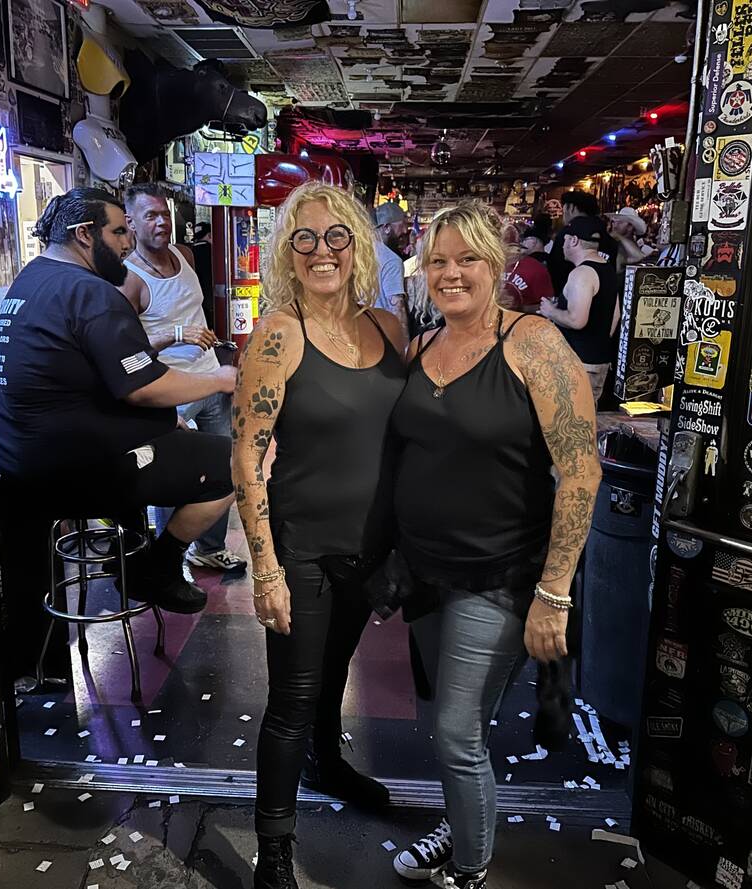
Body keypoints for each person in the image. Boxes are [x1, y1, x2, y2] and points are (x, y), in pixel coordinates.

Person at [390, 200, 601, 889]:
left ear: (499, 264)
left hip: (500, 575)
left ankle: (470, 868)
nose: (450, 274)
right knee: (458, 724)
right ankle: (461, 823)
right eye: (437, 261)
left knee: (456, 732)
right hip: (425, 571)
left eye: (467, 259)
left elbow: (581, 471)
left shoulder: (533, 341)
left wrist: (554, 593)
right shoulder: (421, 346)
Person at [233, 182, 407, 889]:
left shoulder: (388, 327)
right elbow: (246, 457)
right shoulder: (280, 332)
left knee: (334, 675)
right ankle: (273, 852)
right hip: (301, 544)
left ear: (358, 247)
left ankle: (327, 763)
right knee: (292, 699)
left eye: (337, 236)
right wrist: (265, 569)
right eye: (304, 238)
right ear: (288, 251)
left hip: (369, 549)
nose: (321, 250)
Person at [0, 187, 237, 613]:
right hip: (76, 471)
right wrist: (220, 379)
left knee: (179, 436)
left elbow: (88, 378)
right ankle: (157, 566)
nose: (127, 242)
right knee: (236, 463)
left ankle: (133, 556)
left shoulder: (32, 278)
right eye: (120, 232)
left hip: (24, 466)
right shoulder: (90, 292)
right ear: (85, 234)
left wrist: (163, 421)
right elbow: (144, 386)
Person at [120, 185, 246, 574]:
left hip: (212, 379)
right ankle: (167, 562)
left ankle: (209, 548)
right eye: (151, 216)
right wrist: (176, 334)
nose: (161, 222)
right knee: (173, 473)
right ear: (131, 223)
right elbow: (126, 351)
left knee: (226, 466)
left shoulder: (184, 254)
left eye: (165, 214)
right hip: (171, 389)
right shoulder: (129, 280)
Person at [538, 215, 621, 404]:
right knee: (586, 415)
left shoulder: (581, 273)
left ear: (574, 240)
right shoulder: (607, 270)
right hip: (597, 361)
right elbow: (615, 315)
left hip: (577, 363)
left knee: (568, 416)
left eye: (565, 240)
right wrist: (596, 341)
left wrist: (550, 311)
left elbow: (577, 320)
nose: (562, 245)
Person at [373, 202, 410, 339]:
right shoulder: (391, 260)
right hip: (383, 337)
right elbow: (397, 308)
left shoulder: (359, 253)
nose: (405, 231)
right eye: (402, 225)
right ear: (387, 228)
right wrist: (404, 345)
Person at [500, 223, 553, 313]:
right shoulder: (489, 265)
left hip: (522, 319)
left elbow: (548, 306)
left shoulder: (535, 268)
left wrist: (518, 308)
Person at [191, 221, 215, 329]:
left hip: (197, 302)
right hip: (212, 301)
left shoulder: (189, 252)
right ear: (210, 235)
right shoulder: (216, 252)